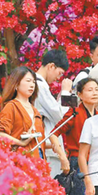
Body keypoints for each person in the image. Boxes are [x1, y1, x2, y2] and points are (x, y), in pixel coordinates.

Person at [49, 77, 98, 195]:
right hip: (78, 162)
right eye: (90, 90)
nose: (94, 93)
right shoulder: (74, 113)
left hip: (96, 162)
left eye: (96, 89)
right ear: (79, 95)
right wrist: (62, 157)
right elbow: (53, 134)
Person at [35, 49, 72, 177]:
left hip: (47, 144)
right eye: (59, 73)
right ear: (51, 66)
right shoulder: (39, 86)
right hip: (48, 144)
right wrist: (65, 92)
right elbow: (61, 117)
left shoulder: (37, 84)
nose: (58, 78)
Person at [0, 66, 45, 159]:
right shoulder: (11, 106)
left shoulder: (35, 111)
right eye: (28, 81)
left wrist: (55, 146)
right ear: (16, 84)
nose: (32, 85)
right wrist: (21, 142)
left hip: (39, 159)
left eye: (34, 82)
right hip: (21, 160)